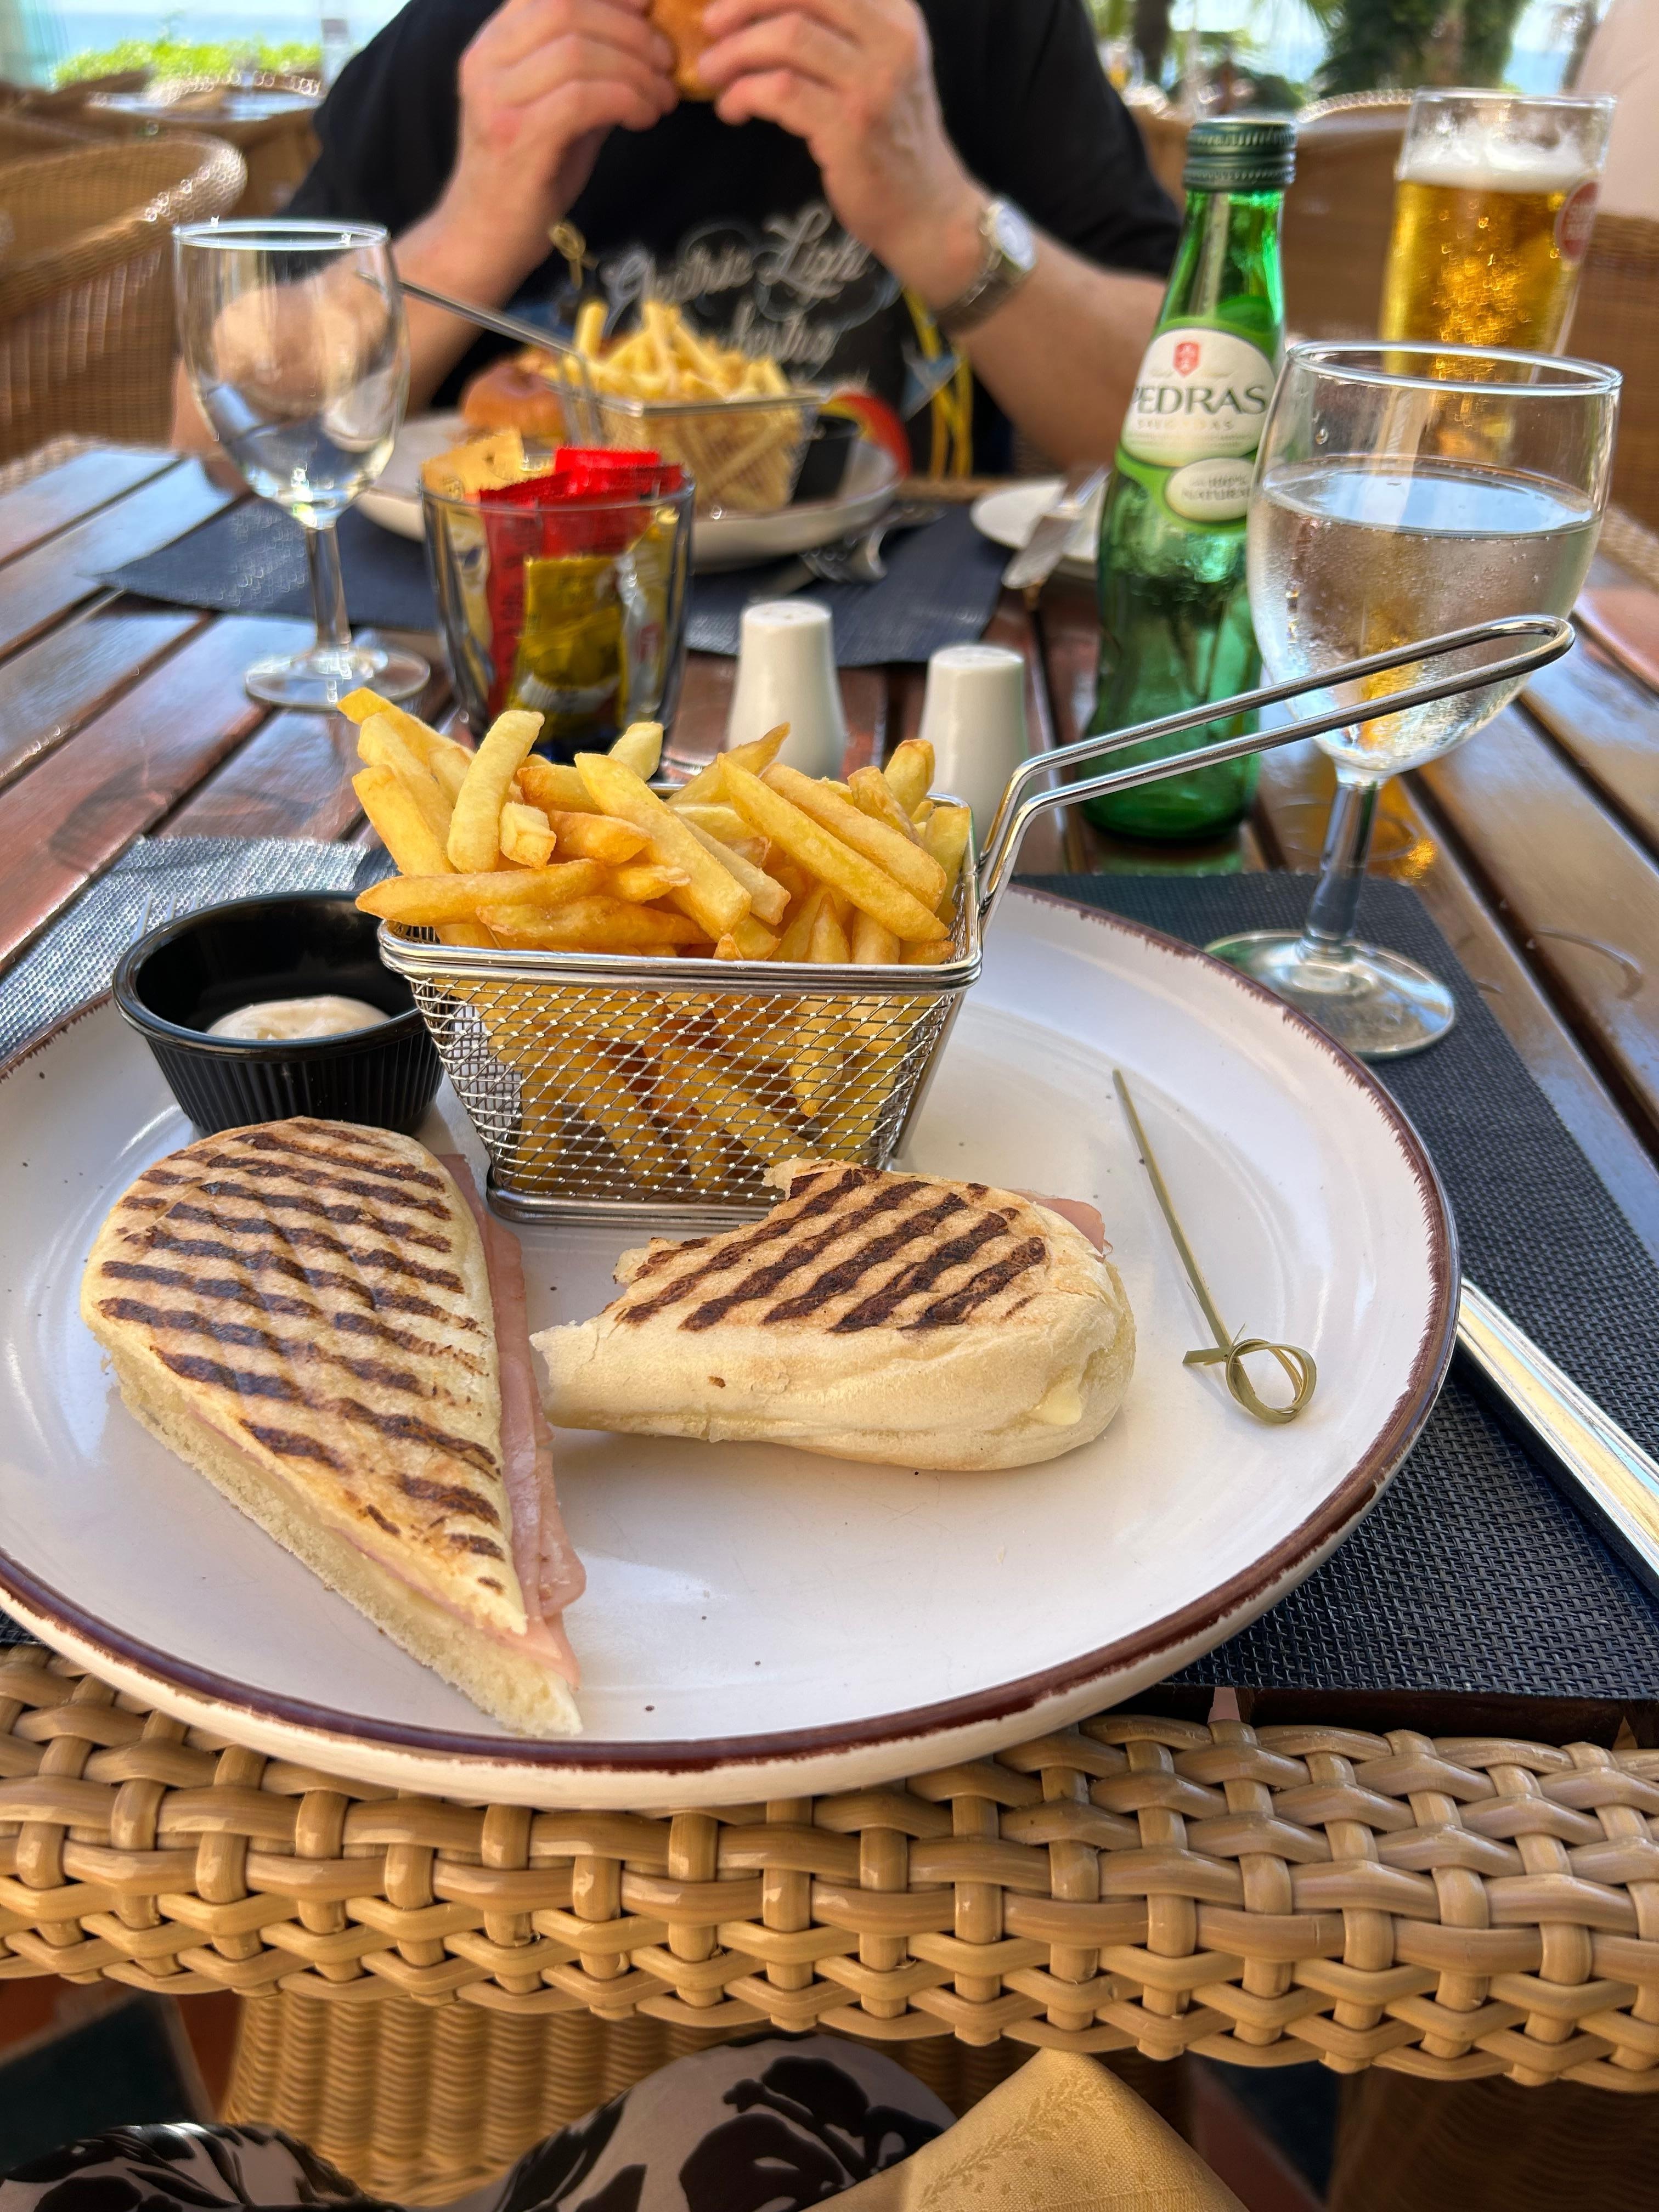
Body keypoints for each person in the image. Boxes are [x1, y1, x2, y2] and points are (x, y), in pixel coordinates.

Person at [172, 0, 1178, 467]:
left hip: (913, 673)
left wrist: (944, 219)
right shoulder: (463, 43)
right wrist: (469, 234)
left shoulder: (985, 26)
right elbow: (210, 434)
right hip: (499, 671)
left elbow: (1202, 428)